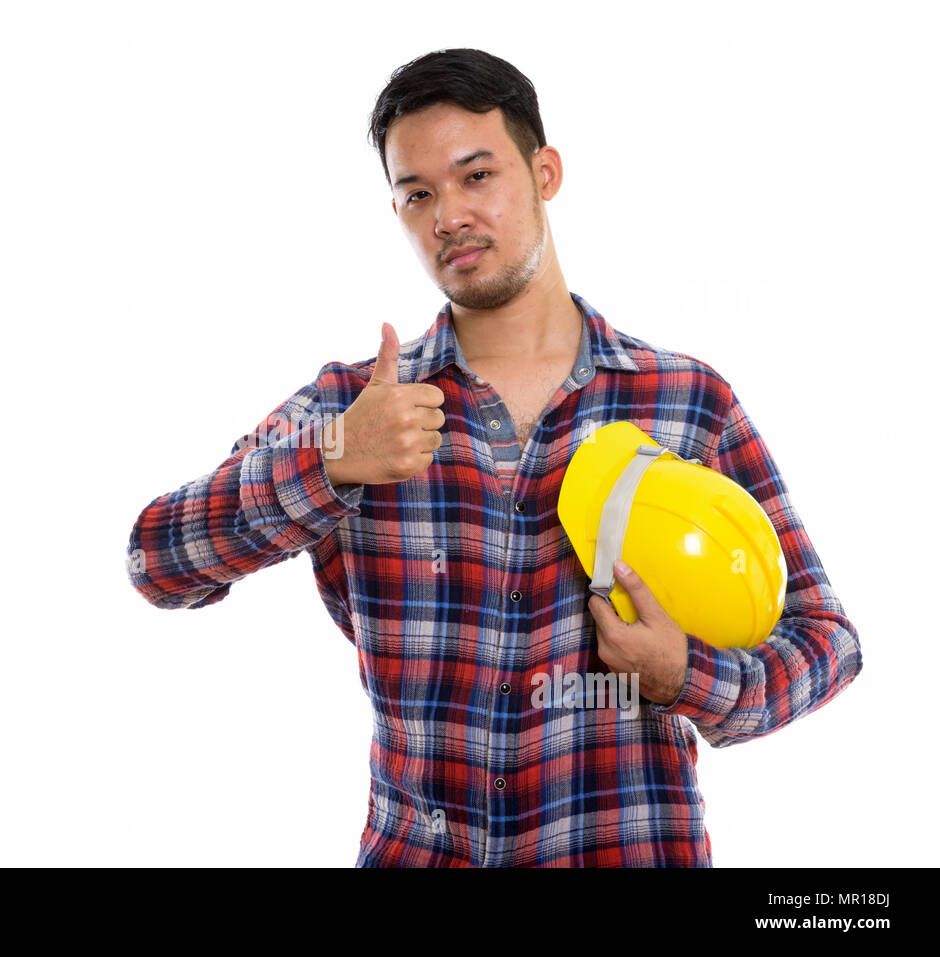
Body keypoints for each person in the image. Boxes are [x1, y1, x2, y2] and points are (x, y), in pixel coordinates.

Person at [125, 48, 863, 867]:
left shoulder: (687, 400)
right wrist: (330, 461)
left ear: (545, 173)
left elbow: (827, 639)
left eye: (476, 176)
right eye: (418, 193)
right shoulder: (354, 407)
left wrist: (685, 676)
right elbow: (157, 560)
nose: (447, 215)